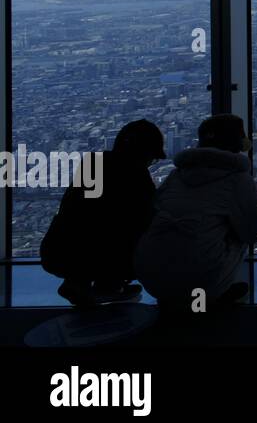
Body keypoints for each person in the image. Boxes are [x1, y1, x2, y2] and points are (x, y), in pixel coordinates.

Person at [134, 114, 257, 310]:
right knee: (243, 228)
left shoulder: (176, 175)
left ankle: (177, 294)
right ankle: (215, 293)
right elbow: (255, 232)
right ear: (239, 144)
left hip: (151, 278)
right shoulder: (237, 180)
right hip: (200, 281)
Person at [40, 119, 165, 308]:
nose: (150, 162)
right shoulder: (136, 177)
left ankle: (82, 283)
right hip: (98, 258)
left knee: (96, 228)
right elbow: (144, 221)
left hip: (55, 252)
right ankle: (109, 285)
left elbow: (82, 213)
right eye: (151, 157)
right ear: (141, 153)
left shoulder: (93, 165)